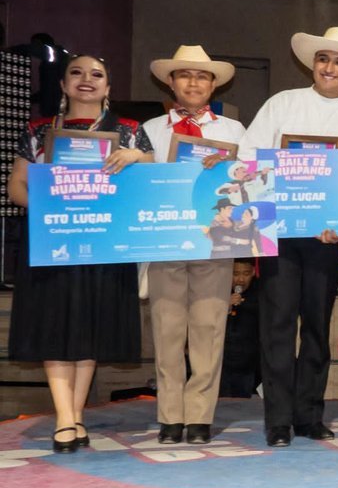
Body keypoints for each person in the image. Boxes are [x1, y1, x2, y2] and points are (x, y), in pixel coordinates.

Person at [241, 27, 338, 447]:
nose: (329, 67)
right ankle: (277, 420)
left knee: (318, 328)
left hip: (326, 238)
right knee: (278, 326)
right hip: (279, 234)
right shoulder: (281, 104)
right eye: (323, 59)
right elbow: (249, 158)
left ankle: (309, 415)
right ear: (312, 65)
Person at [6, 53, 153, 453]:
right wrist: (49, 206)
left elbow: (153, 175)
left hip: (105, 243)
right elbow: (16, 185)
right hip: (52, 241)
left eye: (96, 74)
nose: (86, 79)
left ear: (108, 87)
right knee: (55, 326)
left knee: (90, 326)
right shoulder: (39, 130)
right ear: (63, 84)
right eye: (77, 72)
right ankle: (64, 417)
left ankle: (76, 414)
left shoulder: (129, 131)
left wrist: (136, 156)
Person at [142, 45, 248, 445]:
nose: (193, 82)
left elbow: (249, 182)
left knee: (209, 328)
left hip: (215, 242)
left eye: (202, 76)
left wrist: (229, 168)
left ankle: (200, 416)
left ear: (213, 85)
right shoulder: (150, 130)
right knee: (167, 330)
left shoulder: (234, 131)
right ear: (170, 82)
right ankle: (170, 417)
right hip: (165, 241)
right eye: (185, 74)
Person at [220, 259, 262, 399]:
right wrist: (225, 305)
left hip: (249, 362)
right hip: (222, 361)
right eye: (236, 274)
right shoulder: (219, 292)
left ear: (253, 272)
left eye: (246, 274)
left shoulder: (260, 293)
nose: (241, 279)